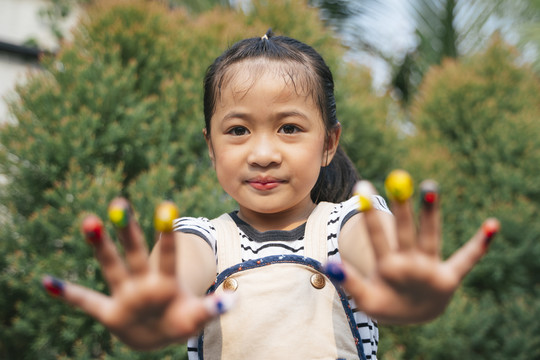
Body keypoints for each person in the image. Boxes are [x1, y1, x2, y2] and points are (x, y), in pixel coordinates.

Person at [42, 30, 500, 360]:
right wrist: (155, 307)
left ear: (328, 143)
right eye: (238, 130)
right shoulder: (201, 238)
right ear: (210, 146)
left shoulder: (347, 223)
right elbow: (179, 270)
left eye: (290, 128)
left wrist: (400, 282)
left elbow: (373, 247)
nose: (263, 154)